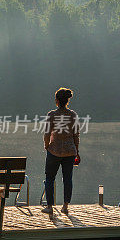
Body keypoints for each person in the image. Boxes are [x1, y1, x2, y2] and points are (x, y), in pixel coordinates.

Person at [42, 87, 80, 215]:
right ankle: (65, 206)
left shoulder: (52, 115)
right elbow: (76, 135)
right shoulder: (72, 115)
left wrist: (47, 145)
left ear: (57, 100)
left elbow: (47, 133)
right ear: (67, 101)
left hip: (54, 151)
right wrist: (77, 151)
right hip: (70, 151)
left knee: (49, 178)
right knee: (68, 178)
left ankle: (50, 207)